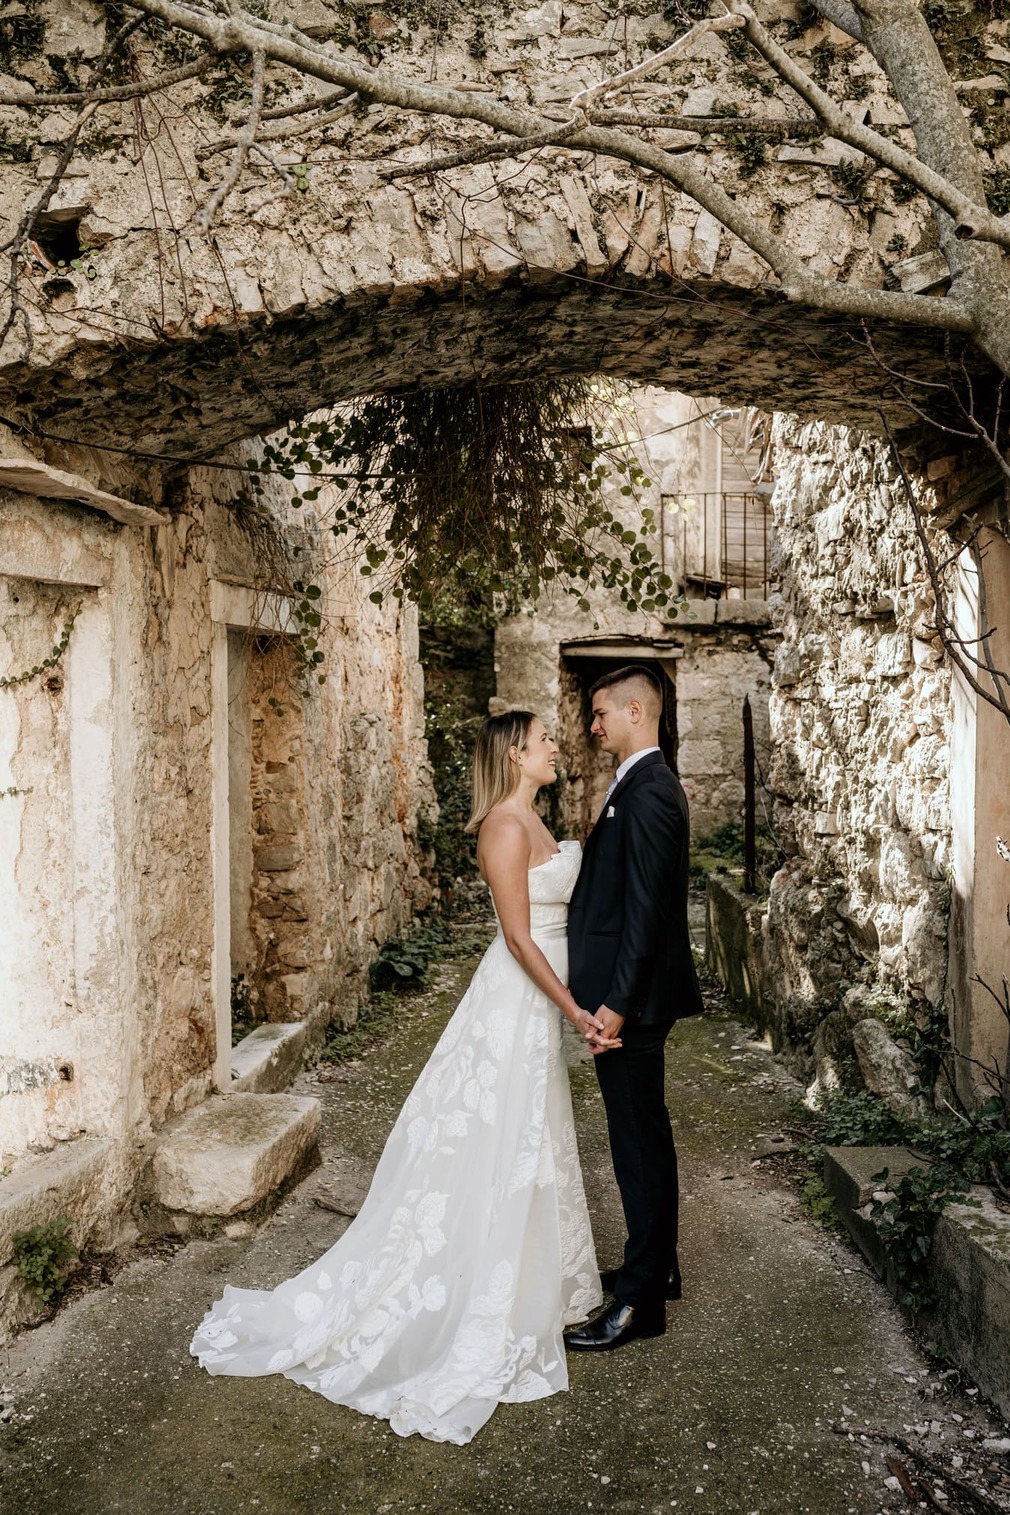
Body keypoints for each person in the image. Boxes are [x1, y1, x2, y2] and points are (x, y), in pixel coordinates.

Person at [190, 710, 611, 1445]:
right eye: (543, 736)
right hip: (518, 1002)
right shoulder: (504, 828)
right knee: (503, 1136)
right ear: (515, 753)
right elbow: (516, 936)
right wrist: (576, 1008)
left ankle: (536, 1280)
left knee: (531, 1134)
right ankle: (482, 1291)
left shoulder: (538, 819)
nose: (554, 745)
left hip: (538, 1008)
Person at [564, 664, 704, 1354]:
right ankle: (658, 1266)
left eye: (599, 714)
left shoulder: (650, 790)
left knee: (637, 1145)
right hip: (633, 998)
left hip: (635, 1004)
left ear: (634, 708)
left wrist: (616, 1001)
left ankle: (641, 1300)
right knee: (642, 1137)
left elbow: (646, 909)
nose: (593, 727)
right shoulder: (641, 782)